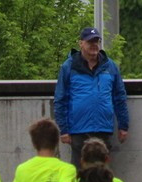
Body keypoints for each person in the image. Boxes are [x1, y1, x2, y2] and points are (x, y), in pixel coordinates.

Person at [53, 27, 129, 167]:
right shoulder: (69, 67)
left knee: (101, 173)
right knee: (79, 174)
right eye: (90, 42)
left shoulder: (110, 66)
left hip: (103, 129)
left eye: (97, 41)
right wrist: (63, 129)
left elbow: (119, 97)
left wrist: (123, 126)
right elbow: (60, 99)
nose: (94, 45)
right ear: (81, 43)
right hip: (78, 131)